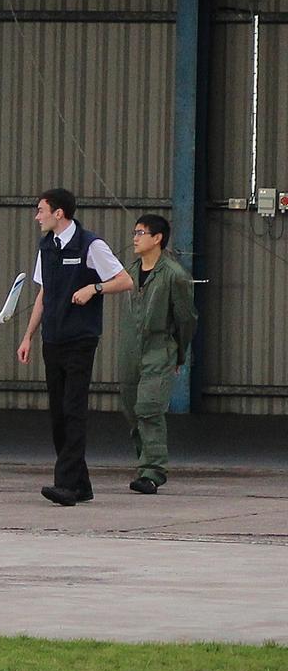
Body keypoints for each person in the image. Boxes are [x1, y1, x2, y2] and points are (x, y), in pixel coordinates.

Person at [16, 188, 126, 506]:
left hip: (80, 339)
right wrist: (28, 336)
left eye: (41, 210)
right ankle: (81, 483)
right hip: (53, 338)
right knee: (58, 414)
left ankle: (64, 484)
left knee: (73, 409)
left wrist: (95, 287)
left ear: (59, 213)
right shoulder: (46, 247)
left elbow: (124, 280)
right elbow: (43, 295)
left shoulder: (91, 245)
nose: (37, 217)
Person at [118, 214, 197, 495]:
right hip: (130, 352)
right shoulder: (128, 272)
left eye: (141, 232)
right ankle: (144, 462)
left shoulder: (174, 275)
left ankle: (152, 472)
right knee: (131, 407)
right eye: (134, 232)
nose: (135, 238)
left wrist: (178, 353)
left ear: (157, 238)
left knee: (149, 408)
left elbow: (187, 319)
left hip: (158, 350)